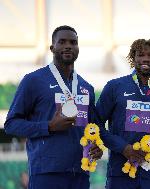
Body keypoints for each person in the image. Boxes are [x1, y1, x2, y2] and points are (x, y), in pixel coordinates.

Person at [4, 25, 103, 189]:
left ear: (78, 48)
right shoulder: (33, 81)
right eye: (62, 42)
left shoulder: (87, 87)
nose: (68, 46)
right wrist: (49, 126)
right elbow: (11, 124)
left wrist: (96, 146)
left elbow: (92, 128)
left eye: (73, 42)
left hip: (80, 173)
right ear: (52, 47)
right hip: (46, 173)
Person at [95, 39, 150, 189]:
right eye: (141, 55)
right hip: (120, 171)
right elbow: (95, 124)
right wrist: (123, 147)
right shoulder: (115, 87)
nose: (146, 59)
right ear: (133, 57)